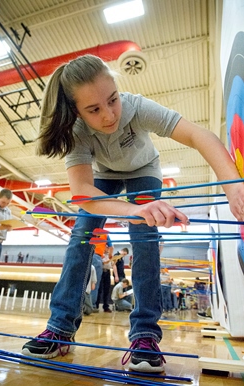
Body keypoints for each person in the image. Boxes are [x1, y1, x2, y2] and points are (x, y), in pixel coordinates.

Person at [22, 54, 244, 372]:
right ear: (76, 111)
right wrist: (134, 209)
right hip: (103, 179)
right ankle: (60, 329)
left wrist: (233, 187)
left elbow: (199, 136)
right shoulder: (76, 131)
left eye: (112, 100)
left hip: (144, 170)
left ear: (117, 89)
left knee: (144, 238)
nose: (110, 114)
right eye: (94, 109)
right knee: (81, 237)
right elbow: (84, 193)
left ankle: (144, 335)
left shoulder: (136, 107)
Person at [91, 234, 113, 311]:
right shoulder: (105, 235)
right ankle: (92, 306)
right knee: (94, 283)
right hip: (97, 257)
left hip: (87, 255)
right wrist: (110, 255)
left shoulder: (90, 230)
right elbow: (111, 246)